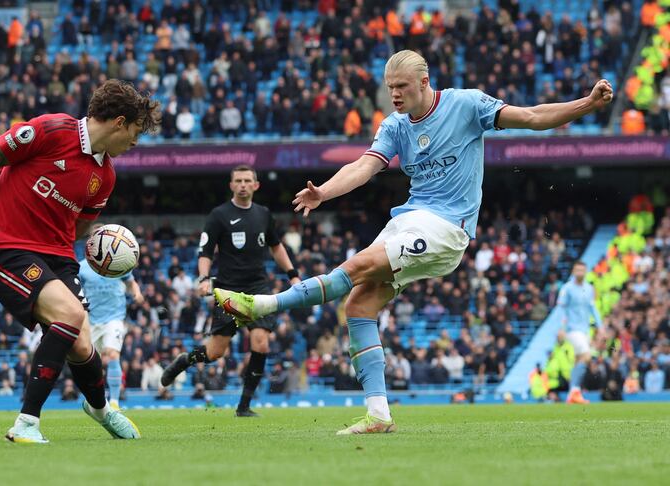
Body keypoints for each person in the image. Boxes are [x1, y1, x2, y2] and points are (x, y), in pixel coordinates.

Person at [216, 49, 613, 434]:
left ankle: (264, 305)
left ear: (424, 82)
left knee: (357, 266)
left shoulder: (466, 104)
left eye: (402, 86)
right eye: (390, 87)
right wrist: (323, 192)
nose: (395, 95)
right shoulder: (395, 125)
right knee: (359, 304)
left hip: (445, 228)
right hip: (410, 220)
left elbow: (531, 116)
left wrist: (585, 105)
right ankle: (378, 415)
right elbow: (364, 166)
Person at [0, 79, 161, 444]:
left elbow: (80, 230)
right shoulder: (50, 129)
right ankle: (26, 423)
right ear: (119, 122)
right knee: (71, 317)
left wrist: (102, 251)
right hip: (8, 247)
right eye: (136, 133)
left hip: (59, 258)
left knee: (82, 343)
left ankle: (100, 409)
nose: (136, 143)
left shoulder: (105, 177)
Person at [160, 164, 300, 417]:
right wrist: (203, 277)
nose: (243, 184)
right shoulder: (219, 215)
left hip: (258, 288)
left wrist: (293, 275)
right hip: (228, 290)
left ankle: (244, 406)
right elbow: (205, 251)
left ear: (256, 185)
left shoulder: (264, 214)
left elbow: (276, 247)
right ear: (231, 185)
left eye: (248, 180)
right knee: (215, 352)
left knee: (261, 342)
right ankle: (184, 360)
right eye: (239, 180)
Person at [77, 226, 145, 409]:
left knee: (113, 354)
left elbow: (131, 282)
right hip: (91, 320)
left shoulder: (118, 261)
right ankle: (97, 401)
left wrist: (137, 293)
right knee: (92, 363)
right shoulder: (82, 268)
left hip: (114, 317)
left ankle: (114, 401)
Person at [557, 261, 603, 404]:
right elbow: (561, 309)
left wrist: (600, 327)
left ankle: (572, 394)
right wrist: (561, 328)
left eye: (582, 270)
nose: (580, 273)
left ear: (586, 271)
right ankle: (575, 390)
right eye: (577, 270)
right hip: (572, 329)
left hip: (584, 330)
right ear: (573, 271)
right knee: (586, 355)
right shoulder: (567, 289)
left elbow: (592, 308)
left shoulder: (589, 289)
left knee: (578, 360)